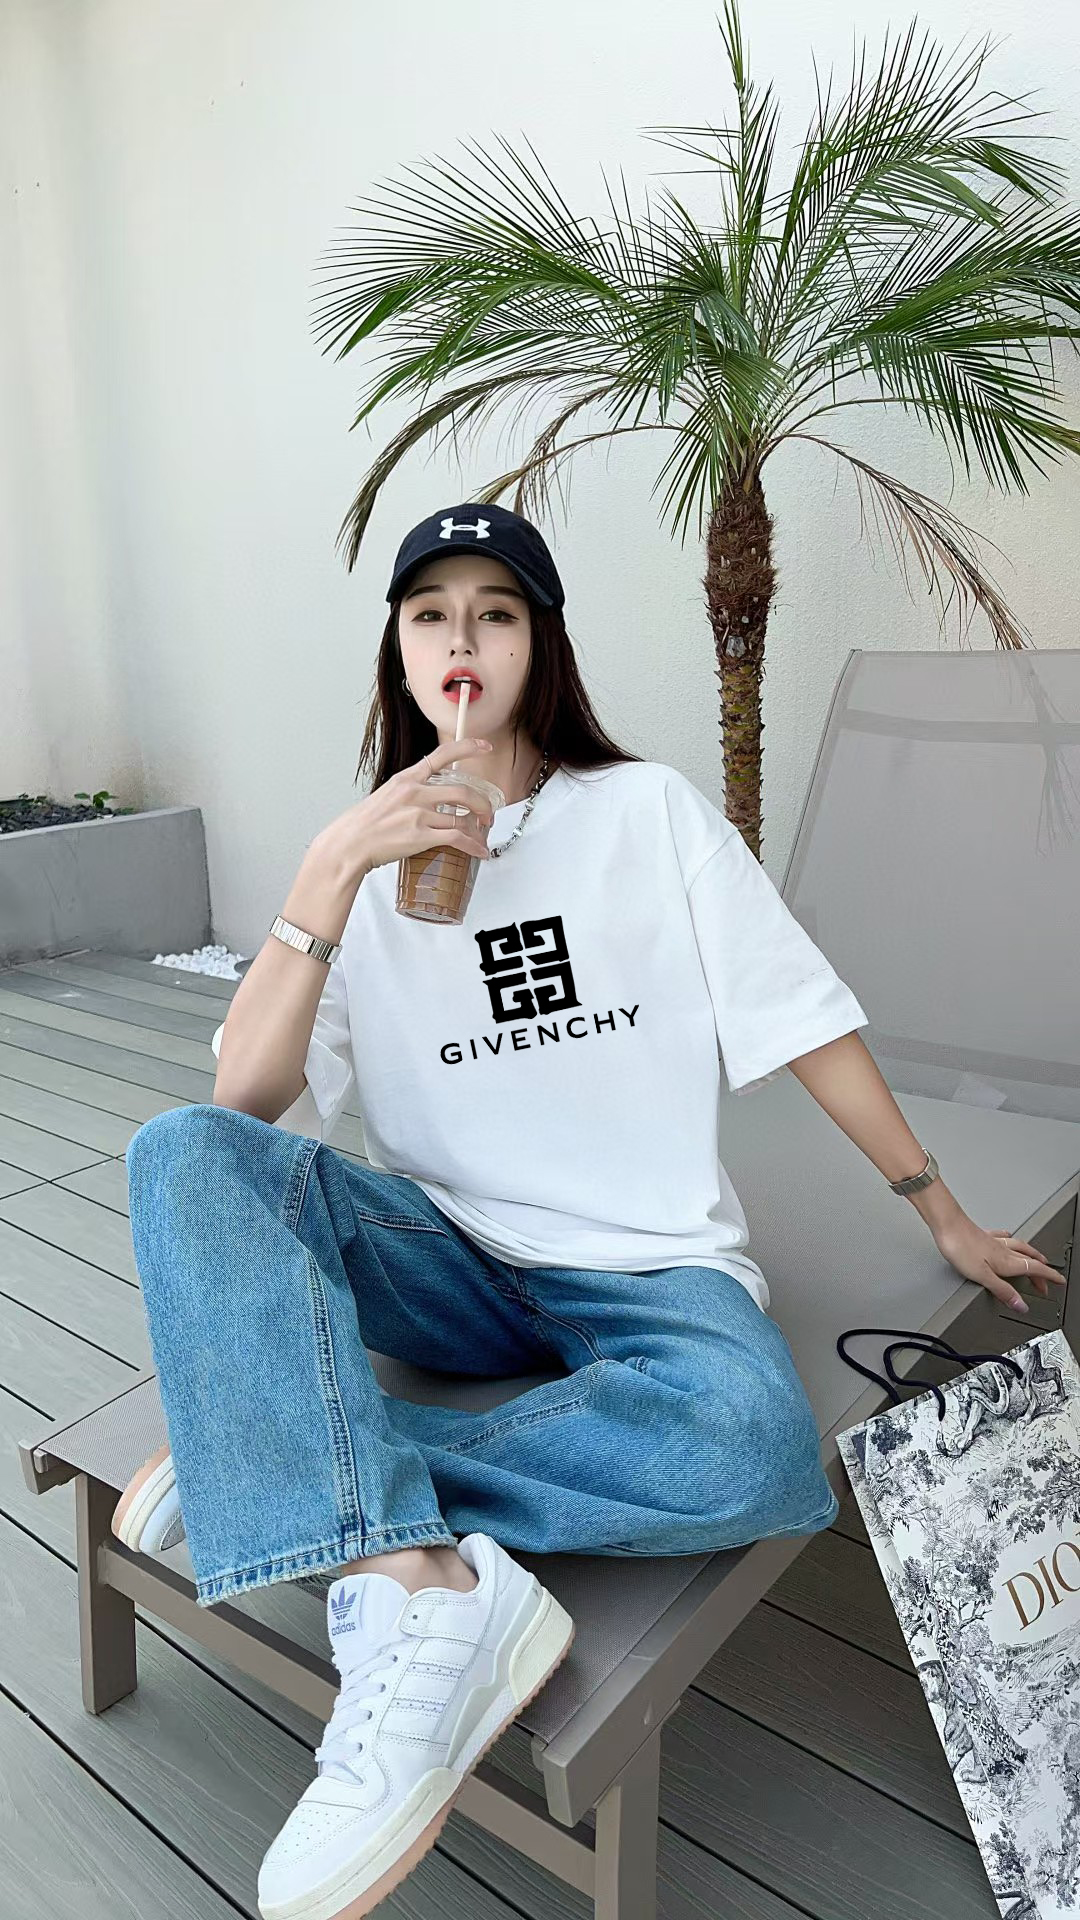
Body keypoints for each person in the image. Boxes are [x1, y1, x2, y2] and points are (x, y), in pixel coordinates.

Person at [118, 501, 870, 1920]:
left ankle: (273, 1461)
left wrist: (930, 1201)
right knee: (182, 1155)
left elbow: (801, 1015)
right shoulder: (361, 853)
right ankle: (425, 1585)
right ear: (402, 655)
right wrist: (329, 870)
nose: (462, 638)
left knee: (746, 1444)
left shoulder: (643, 813)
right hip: (448, 1253)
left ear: (540, 647)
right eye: (431, 615)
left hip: (649, 1265)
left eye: (497, 612)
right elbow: (245, 1104)